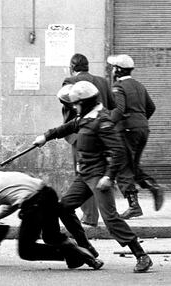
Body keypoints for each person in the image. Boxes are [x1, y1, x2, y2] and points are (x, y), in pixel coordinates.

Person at [33, 80, 153, 273]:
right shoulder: (86, 116)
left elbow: (118, 151)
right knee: (63, 208)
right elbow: (69, 127)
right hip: (84, 175)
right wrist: (46, 136)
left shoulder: (102, 120)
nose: (74, 106)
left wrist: (109, 176)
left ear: (86, 102)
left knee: (111, 219)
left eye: (77, 103)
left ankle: (142, 256)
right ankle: (86, 247)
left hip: (98, 177)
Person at [0, 170, 103, 270]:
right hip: (48, 194)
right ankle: (83, 256)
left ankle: (76, 255)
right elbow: (14, 201)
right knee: (52, 237)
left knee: (26, 250)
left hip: (36, 203)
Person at [61, 53, 116, 227]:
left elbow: (68, 109)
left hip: (82, 135)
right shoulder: (103, 81)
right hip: (102, 135)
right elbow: (113, 108)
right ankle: (105, 215)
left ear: (72, 67)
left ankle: (90, 217)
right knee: (99, 173)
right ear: (87, 66)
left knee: (84, 173)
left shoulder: (69, 82)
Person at [107, 54, 164, 219]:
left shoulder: (118, 87)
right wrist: (139, 121)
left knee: (123, 167)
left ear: (117, 70)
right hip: (142, 130)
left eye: (113, 68)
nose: (112, 71)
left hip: (127, 131)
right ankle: (152, 186)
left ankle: (134, 206)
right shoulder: (139, 85)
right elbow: (151, 107)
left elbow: (118, 110)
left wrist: (107, 126)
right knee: (132, 165)